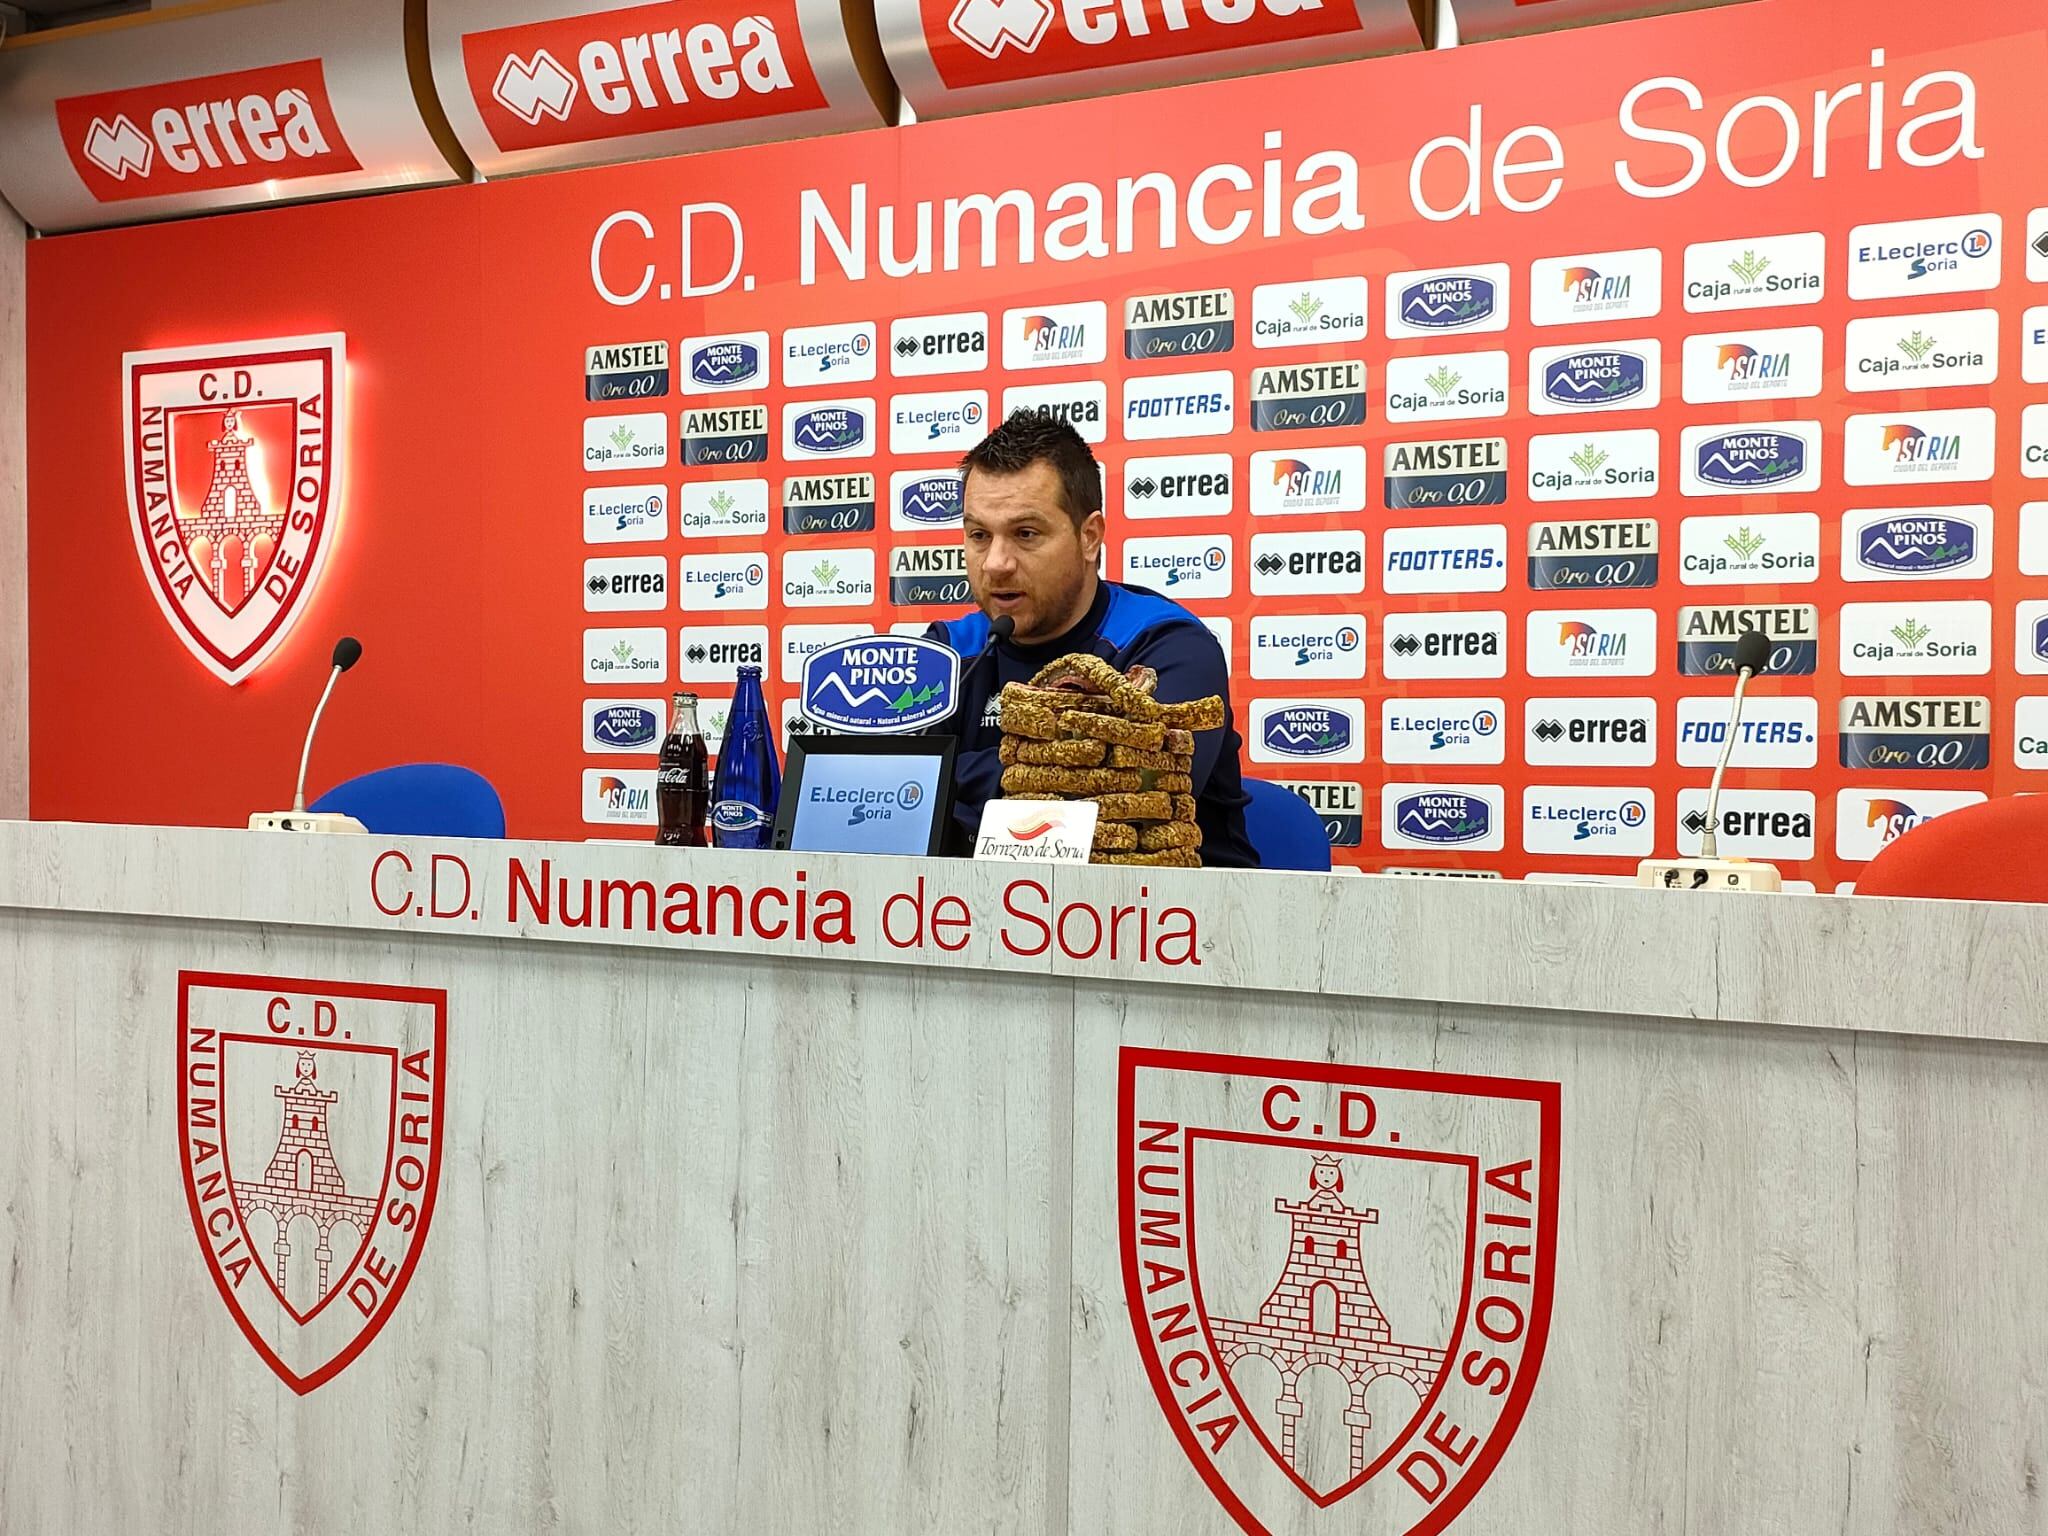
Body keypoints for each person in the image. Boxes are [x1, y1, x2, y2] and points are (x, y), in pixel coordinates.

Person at [925, 410, 1258, 866]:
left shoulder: (1168, 644)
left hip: (1168, 924)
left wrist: (955, 778)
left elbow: (1135, 793)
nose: (996, 563)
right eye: (979, 535)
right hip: (975, 917)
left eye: (1025, 534)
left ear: (1089, 537)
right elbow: (901, 789)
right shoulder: (952, 648)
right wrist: (1063, 773)